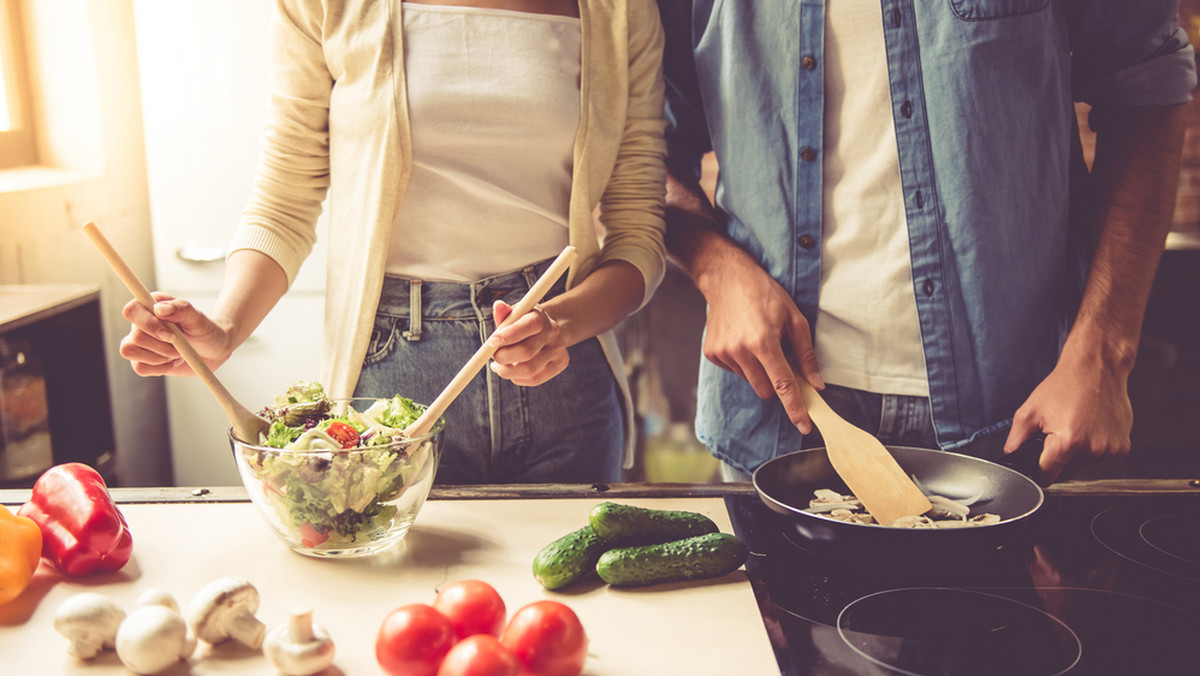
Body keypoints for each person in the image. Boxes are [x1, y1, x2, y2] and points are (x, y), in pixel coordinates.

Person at [118, 0, 668, 484]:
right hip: (390, 371)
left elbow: (638, 230)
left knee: (573, 601)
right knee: (400, 594)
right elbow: (284, 201)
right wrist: (226, 328)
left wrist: (563, 324)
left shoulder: (620, 11)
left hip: (562, 371)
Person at [656, 1, 1195, 484]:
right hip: (775, 415)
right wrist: (716, 267)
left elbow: (1146, 91)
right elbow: (645, 150)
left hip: (1023, 417)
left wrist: (1103, 353)